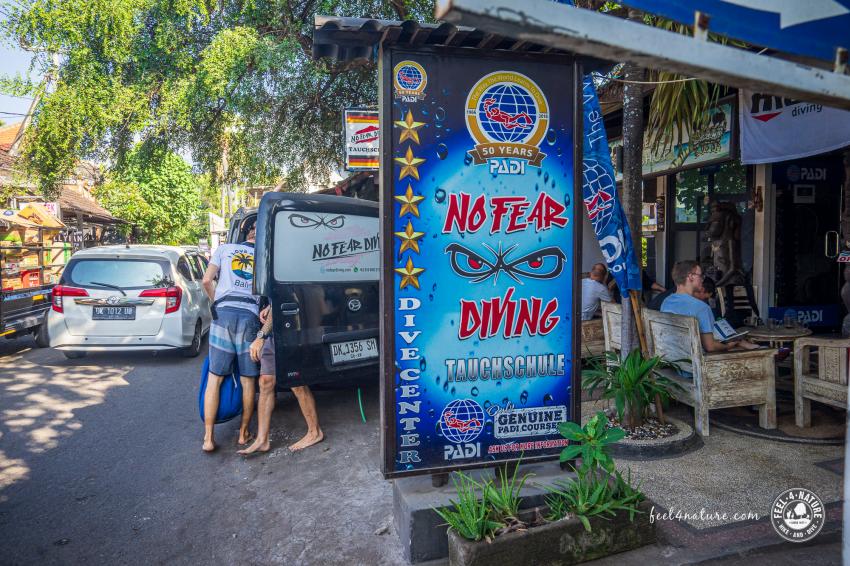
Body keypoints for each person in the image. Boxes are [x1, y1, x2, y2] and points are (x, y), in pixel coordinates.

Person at [200, 223, 261, 452]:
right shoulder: (265, 254)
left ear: (245, 234)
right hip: (249, 317)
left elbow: (206, 280)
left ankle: (208, 438)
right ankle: (244, 434)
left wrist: (217, 301)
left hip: (223, 315)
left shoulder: (225, 249)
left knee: (215, 378)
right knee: (248, 380)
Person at [239, 306, 324, 454]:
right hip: (272, 334)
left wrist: (260, 336)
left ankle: (314, 432)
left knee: (296, 382)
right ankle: (262, 440)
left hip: (288, 330)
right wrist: (270, 307)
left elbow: (281, 297)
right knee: (265, 382)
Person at [661, 260, 760, 353]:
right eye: (701, 276)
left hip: (672, 361)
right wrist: (729, 346)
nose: (702, 280)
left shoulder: (666, 302)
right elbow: (710, 347)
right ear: (691, 277)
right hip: (695, 366)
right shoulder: (701, 307)